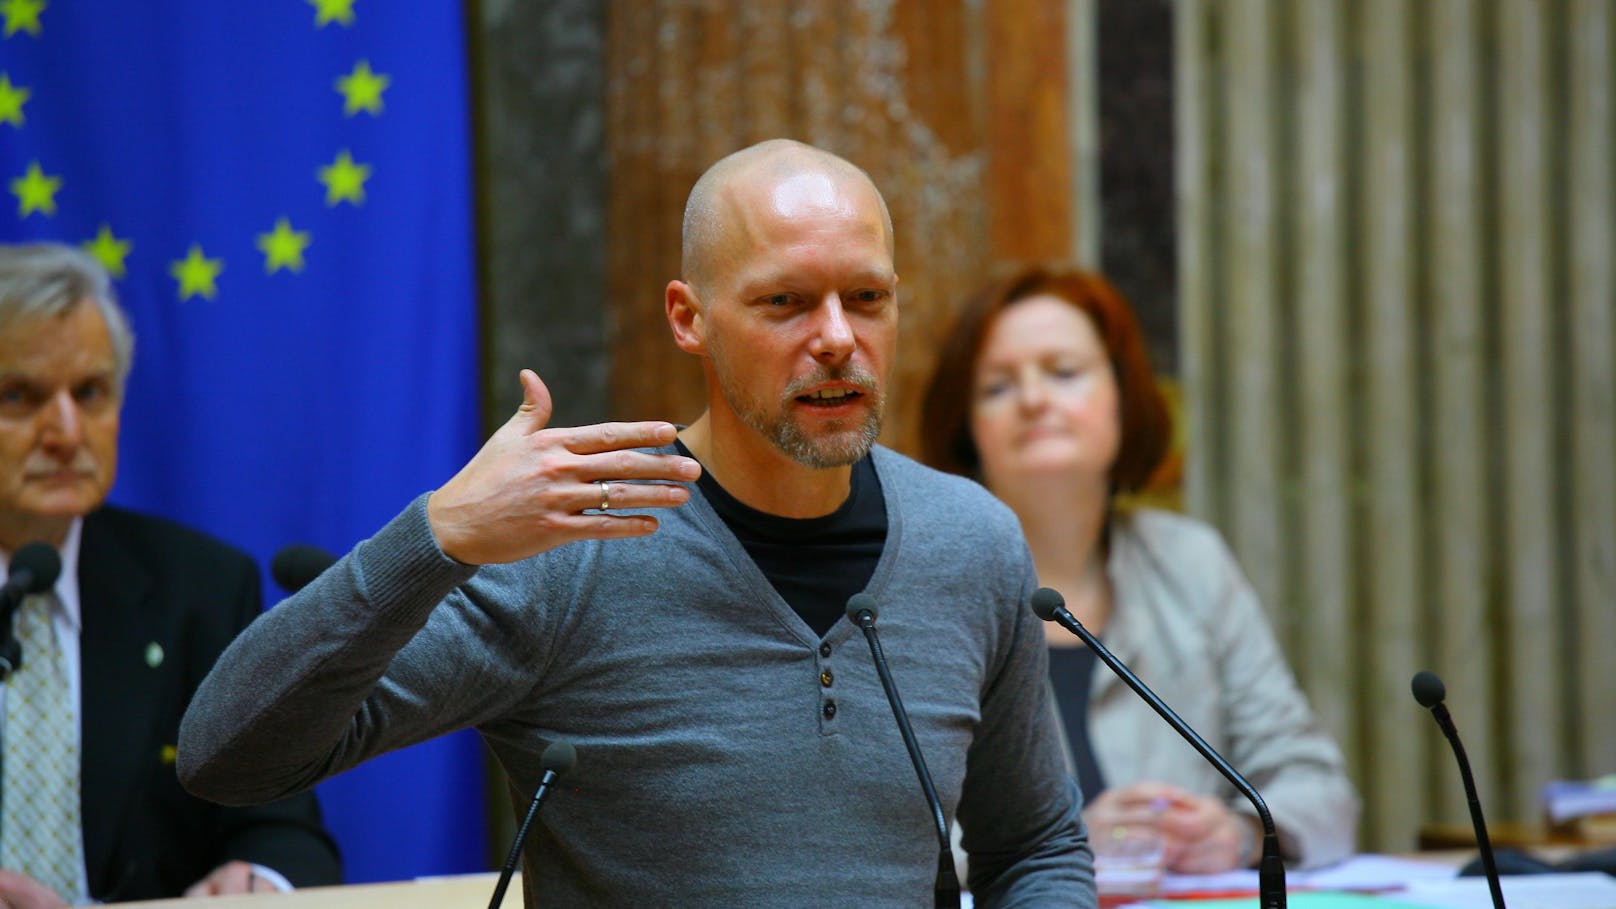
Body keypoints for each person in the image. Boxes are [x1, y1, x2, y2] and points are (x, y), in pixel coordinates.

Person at [177, 140, 1093, 906]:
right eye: (784, 302)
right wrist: (439, 536)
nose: (837, 338)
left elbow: (1036, 847)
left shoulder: (970, 541)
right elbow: (228, 757)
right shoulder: (567, 547)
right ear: (688, 319)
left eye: (866, 297)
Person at [920, 265, 1358, 872]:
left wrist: (1236, 832)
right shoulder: (919, 588)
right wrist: (1058, 844)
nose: (1033, 399)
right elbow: (875, 840)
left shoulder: (1190, 564)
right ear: (968, 430)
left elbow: (1319, 789)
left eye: (1063, 372)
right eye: (997, 386)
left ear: (1123, 398)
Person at [0, 243, 342, 905]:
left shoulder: (201, 588)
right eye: (20, 394)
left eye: (90, 392)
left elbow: (282, 830)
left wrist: (256, 880)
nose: (66, 432)